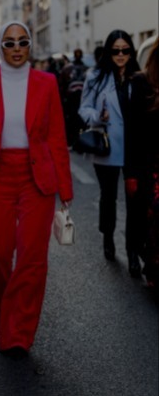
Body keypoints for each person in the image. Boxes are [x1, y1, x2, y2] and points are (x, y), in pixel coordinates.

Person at [0, 21, 73, 359]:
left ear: (30, 46)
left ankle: (18, 333)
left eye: (22, 42)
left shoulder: (47, 83)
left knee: (31, 258)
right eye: (9, 42)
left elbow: (56, 138)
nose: (16, 47)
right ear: (0, 46)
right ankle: (5, 319)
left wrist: (65, 189)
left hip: (36, 177)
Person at [78, 30, 143, 277]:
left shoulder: (139, 76)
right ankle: (108, 237)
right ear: (108, 51)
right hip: (107, 147)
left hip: (135, 149)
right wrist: (98, 116)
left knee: (135, 201)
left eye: (125, 50)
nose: (120, 55)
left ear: (131, 51)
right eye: (115, 50)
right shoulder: (96, 76)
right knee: (109, 197)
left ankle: (133, 251)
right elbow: (83, 108)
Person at [124, 37, 159, 290]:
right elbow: (133, 132)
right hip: (151, 168)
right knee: (153, 220)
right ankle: (153, 269)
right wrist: (132, 173)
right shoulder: (142, 81)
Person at [59, 48, 88, 146]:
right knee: (79, 122)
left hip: (73, 101)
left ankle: (75, 141)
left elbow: (62, 86)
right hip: (78, 100)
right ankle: (79, 141)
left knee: (74, 122)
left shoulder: (67, 68)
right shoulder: (86, 69)